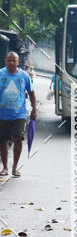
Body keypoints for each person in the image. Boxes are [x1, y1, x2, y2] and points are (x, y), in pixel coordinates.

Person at [0, 50, 37, 178]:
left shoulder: (24, 76)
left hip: (19, 114)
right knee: (3, 140)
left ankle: (15, 168)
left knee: (18, 139)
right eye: (9, 60)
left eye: (14, 60)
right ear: (5, 61)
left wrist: (34, 109)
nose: (11, 63)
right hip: (2, 114)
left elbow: (31, 93)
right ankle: (5, 167)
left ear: (18, 62)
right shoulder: (0, 74)